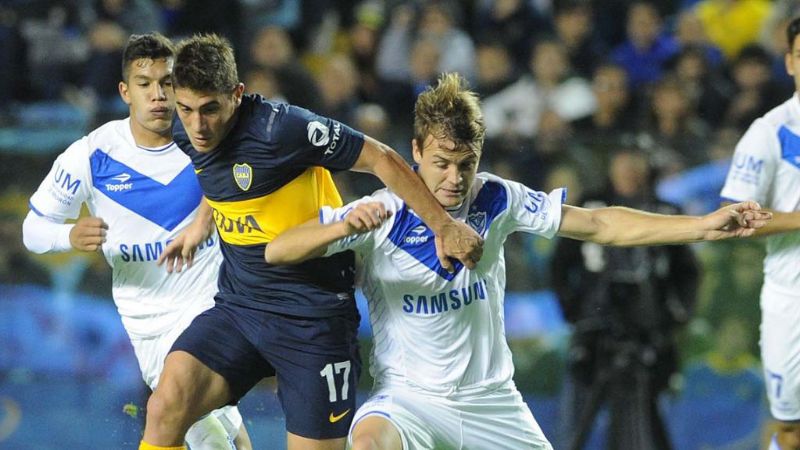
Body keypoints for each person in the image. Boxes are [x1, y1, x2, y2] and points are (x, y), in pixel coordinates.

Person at [263, 73, 770, 450]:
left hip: (492, 404)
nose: (455, 178)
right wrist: (341, 227)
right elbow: (278, 248)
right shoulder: (381, 213)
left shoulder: (497, 200)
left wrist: (701, 226)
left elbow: (598, 225)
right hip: (409, 399)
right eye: (441, 163)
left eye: (467, 163)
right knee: (368, 443)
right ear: (414, 152)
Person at [139, 34, 482, 450]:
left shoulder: (282, 129)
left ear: (237, 94)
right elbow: (222, 179)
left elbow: (380, 158)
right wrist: (201, 222)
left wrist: (443, 226)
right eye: (186, 109)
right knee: (165, 406)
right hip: (242, 307)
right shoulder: (183, 129)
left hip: (313, 318)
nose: (198, 125)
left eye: (210, 109)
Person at [20, 33, 251, 449]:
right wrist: (67, 234)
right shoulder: (92, 155)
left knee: (184, 416)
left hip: (211, 306)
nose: (158, 95)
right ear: (126, 91)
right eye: (145, 84)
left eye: (166, 83)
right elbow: (32, 230)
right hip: (145, 321)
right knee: (221, 429)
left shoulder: (204, 137)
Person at [552, 149, 699, 450]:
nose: (629, 170)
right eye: (623, 162)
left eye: (635, 163)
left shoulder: (666, 210)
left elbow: (688, 269)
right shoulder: (589, 205)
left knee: (654, 415)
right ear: (612, 166)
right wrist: (573, 309)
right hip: (594, 328)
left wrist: (677, 313)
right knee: (577, 417)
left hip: (651, 330)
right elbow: (560, 263)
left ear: (646, 168)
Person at [719, 16, 800, 450]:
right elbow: (729, 217)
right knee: (790, 429)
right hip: (793, 299)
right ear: (789, 62)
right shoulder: (769, 131)